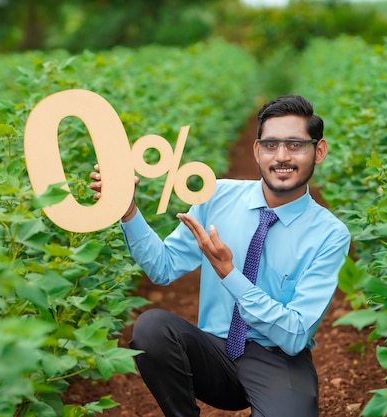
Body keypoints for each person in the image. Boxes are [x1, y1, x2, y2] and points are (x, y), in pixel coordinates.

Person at [89, 95, 351, 417]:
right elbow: (163, 267)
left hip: (278, 357)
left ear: (319, 151)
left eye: (295, 145)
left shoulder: (329, 234)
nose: (282, 156)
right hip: (215, 352)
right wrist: (128, 212)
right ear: (256, 151)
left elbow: (295, 335)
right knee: (152, 328)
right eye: (270, 145)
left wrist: (230, 274)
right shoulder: (216, 197)